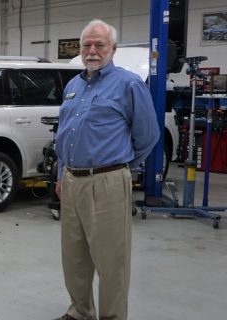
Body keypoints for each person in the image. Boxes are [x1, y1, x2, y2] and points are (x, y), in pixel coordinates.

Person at [54, 20, 159, 320]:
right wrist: (62, 173)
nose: (92, 51)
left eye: (99, 44)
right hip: (72, 181)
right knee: (74, 257)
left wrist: (120, 169)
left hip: (108, 182)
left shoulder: (129, 85)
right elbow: (64, 134)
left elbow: (148, 136)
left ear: (113, 49)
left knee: (111, 261)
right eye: (86, 45)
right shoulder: (73, 86)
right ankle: (80, 311)